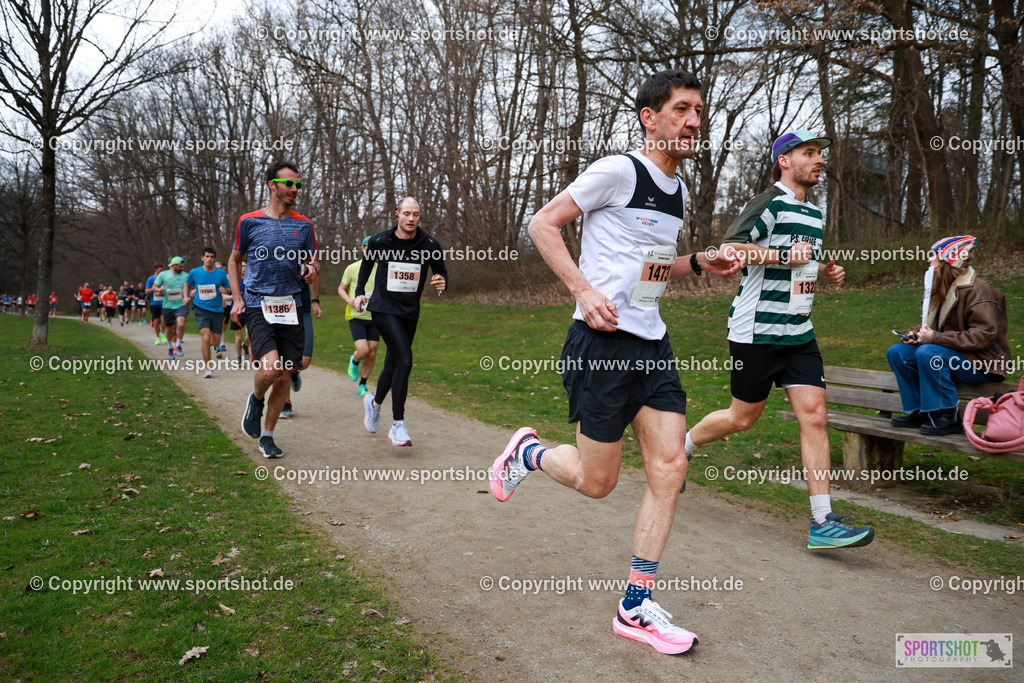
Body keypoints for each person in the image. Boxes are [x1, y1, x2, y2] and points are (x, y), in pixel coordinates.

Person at [489, 70, 740, 655]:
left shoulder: (675, 191)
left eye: (698, 111)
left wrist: (698, 262)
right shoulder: (618, 170)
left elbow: (650, 270)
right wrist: (581, 289)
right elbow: (542, 223)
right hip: (601, 347)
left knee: (670, 467)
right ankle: (528, 452)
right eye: (681, 109)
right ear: (650, 117)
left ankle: (635, 605)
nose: (694, 121)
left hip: (652, 345)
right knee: (597, 482)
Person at [684, 129, 874, 551]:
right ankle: (681, 450)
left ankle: (822, 521)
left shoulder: (816, 213)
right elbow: (729, 250)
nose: (819, 160)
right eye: (809, 153)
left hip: (799, 334)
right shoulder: (768, 202)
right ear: (784, 160)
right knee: (742, 418)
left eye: (819, 154)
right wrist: (782, 256)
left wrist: (826, 270)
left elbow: (806, 259)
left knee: (816, 417)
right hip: (756, 332)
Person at [230, 160, 319, 459]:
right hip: (258, 304)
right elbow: (234, 259)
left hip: (292, 305)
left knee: (284, 375)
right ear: (272, 185)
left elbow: (314, 262)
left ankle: (267, 436)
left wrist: (310, 269)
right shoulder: (249, 221)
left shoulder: (304, 225)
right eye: (289, 183)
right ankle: (256, 400)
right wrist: (238, 298)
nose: (295, 189)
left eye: (298, 184)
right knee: (269, 370)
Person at [887, 236, 1010, 436]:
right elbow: (939, 325)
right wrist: (918, 333)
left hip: (982, 363)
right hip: (953, 355)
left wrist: (934, 338)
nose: (929, 261)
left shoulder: (977, 291)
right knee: (898, 352)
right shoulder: (944, 286)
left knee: (928, 353)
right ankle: (920, 412)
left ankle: (946, 415)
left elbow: (985, 335)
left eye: (933, 256)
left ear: (949, 261)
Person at [353, 197, 448, 447]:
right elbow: (366, 265)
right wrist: (360, 291)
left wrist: (442, 281)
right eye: (406, 213)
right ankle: (398, 424)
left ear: (419, 216)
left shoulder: (429, 244)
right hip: (383, 308)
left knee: (394, 362)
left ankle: (373, 404)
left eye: (415, 214)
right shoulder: (380, 241)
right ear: (397, 214)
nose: (411, 219)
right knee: (405, 359)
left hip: (409, 311)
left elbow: (441, 270)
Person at [339, 236, 379, 396]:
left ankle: (363, 384)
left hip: (375, 316)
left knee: (373, 351)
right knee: (363, 351)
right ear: (362, 248)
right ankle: (354, 360)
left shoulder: (382, 269)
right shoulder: (352, 268)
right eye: (368, 247)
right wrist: (349, 300)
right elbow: (341, 288)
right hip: (357, 316)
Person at [185, 247, 231, 378]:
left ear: (214, 259)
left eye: (211, 257)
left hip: (217, 310)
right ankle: (208, 368)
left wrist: (225, 291)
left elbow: (227, 288)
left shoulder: (221, 273)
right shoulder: (195, 272)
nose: (209, 259)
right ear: (202, 258)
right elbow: (186, 285)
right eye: (207, 256)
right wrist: (185, 297)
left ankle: (210, 347)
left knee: (216, 342)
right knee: (205, 337)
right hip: (200, 309)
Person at [281, 278, 321, 419]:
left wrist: (315, 300)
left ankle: (294, 372)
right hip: (279, 310)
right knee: (282, 360)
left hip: (302, 308)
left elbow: (315, 268)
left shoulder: (302, 255)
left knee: (304, 361)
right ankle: (285, 403)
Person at [154, 257, 189, 359]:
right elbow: (154, 286)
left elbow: (192, 286)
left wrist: (190, 294)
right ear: (173, 266)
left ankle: (178, 346)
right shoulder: (163, 275)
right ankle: (170, 348)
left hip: (181, 304)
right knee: (169, 328)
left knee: (181, 323)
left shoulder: (186, 276)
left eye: (183, 266)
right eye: (180, 266)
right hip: (168, 306)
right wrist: (159, 289)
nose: (182, 268)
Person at [145, 264, 166, 345]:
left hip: (164, 302)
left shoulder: (165, 279)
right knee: (156, 321)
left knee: (164, 319)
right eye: (160, 270)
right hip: (154, 303)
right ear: (155, 269)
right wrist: (153, 289)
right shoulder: (150, 279)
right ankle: (157, 337)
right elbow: (146, 291)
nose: (162, 271)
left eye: (163, 270)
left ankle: (163, 334)